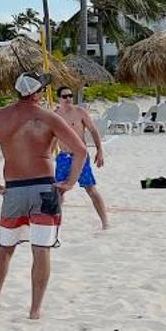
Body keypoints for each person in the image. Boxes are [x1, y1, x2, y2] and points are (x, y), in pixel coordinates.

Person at [0, 72, 91, 320]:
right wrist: (69, 183)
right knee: (41, 249)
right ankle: (35, 310)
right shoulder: (48, 117)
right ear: (37, 94)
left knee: (5, 248)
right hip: (44, 189)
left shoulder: (0, 117)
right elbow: (80, 151)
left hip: (14, 189)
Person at [53, 87, 109, 229]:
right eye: (65, 96)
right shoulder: (55, 115)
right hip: (63, 157)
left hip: (80, 156)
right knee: (58, 190)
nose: (69, 99)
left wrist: (99, 150)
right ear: (59, 98)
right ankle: (55, 224)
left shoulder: (80, 112)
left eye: (71, 96)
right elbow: (52, 138)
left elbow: (93, 130)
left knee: (90, 189)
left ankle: (105, 222)